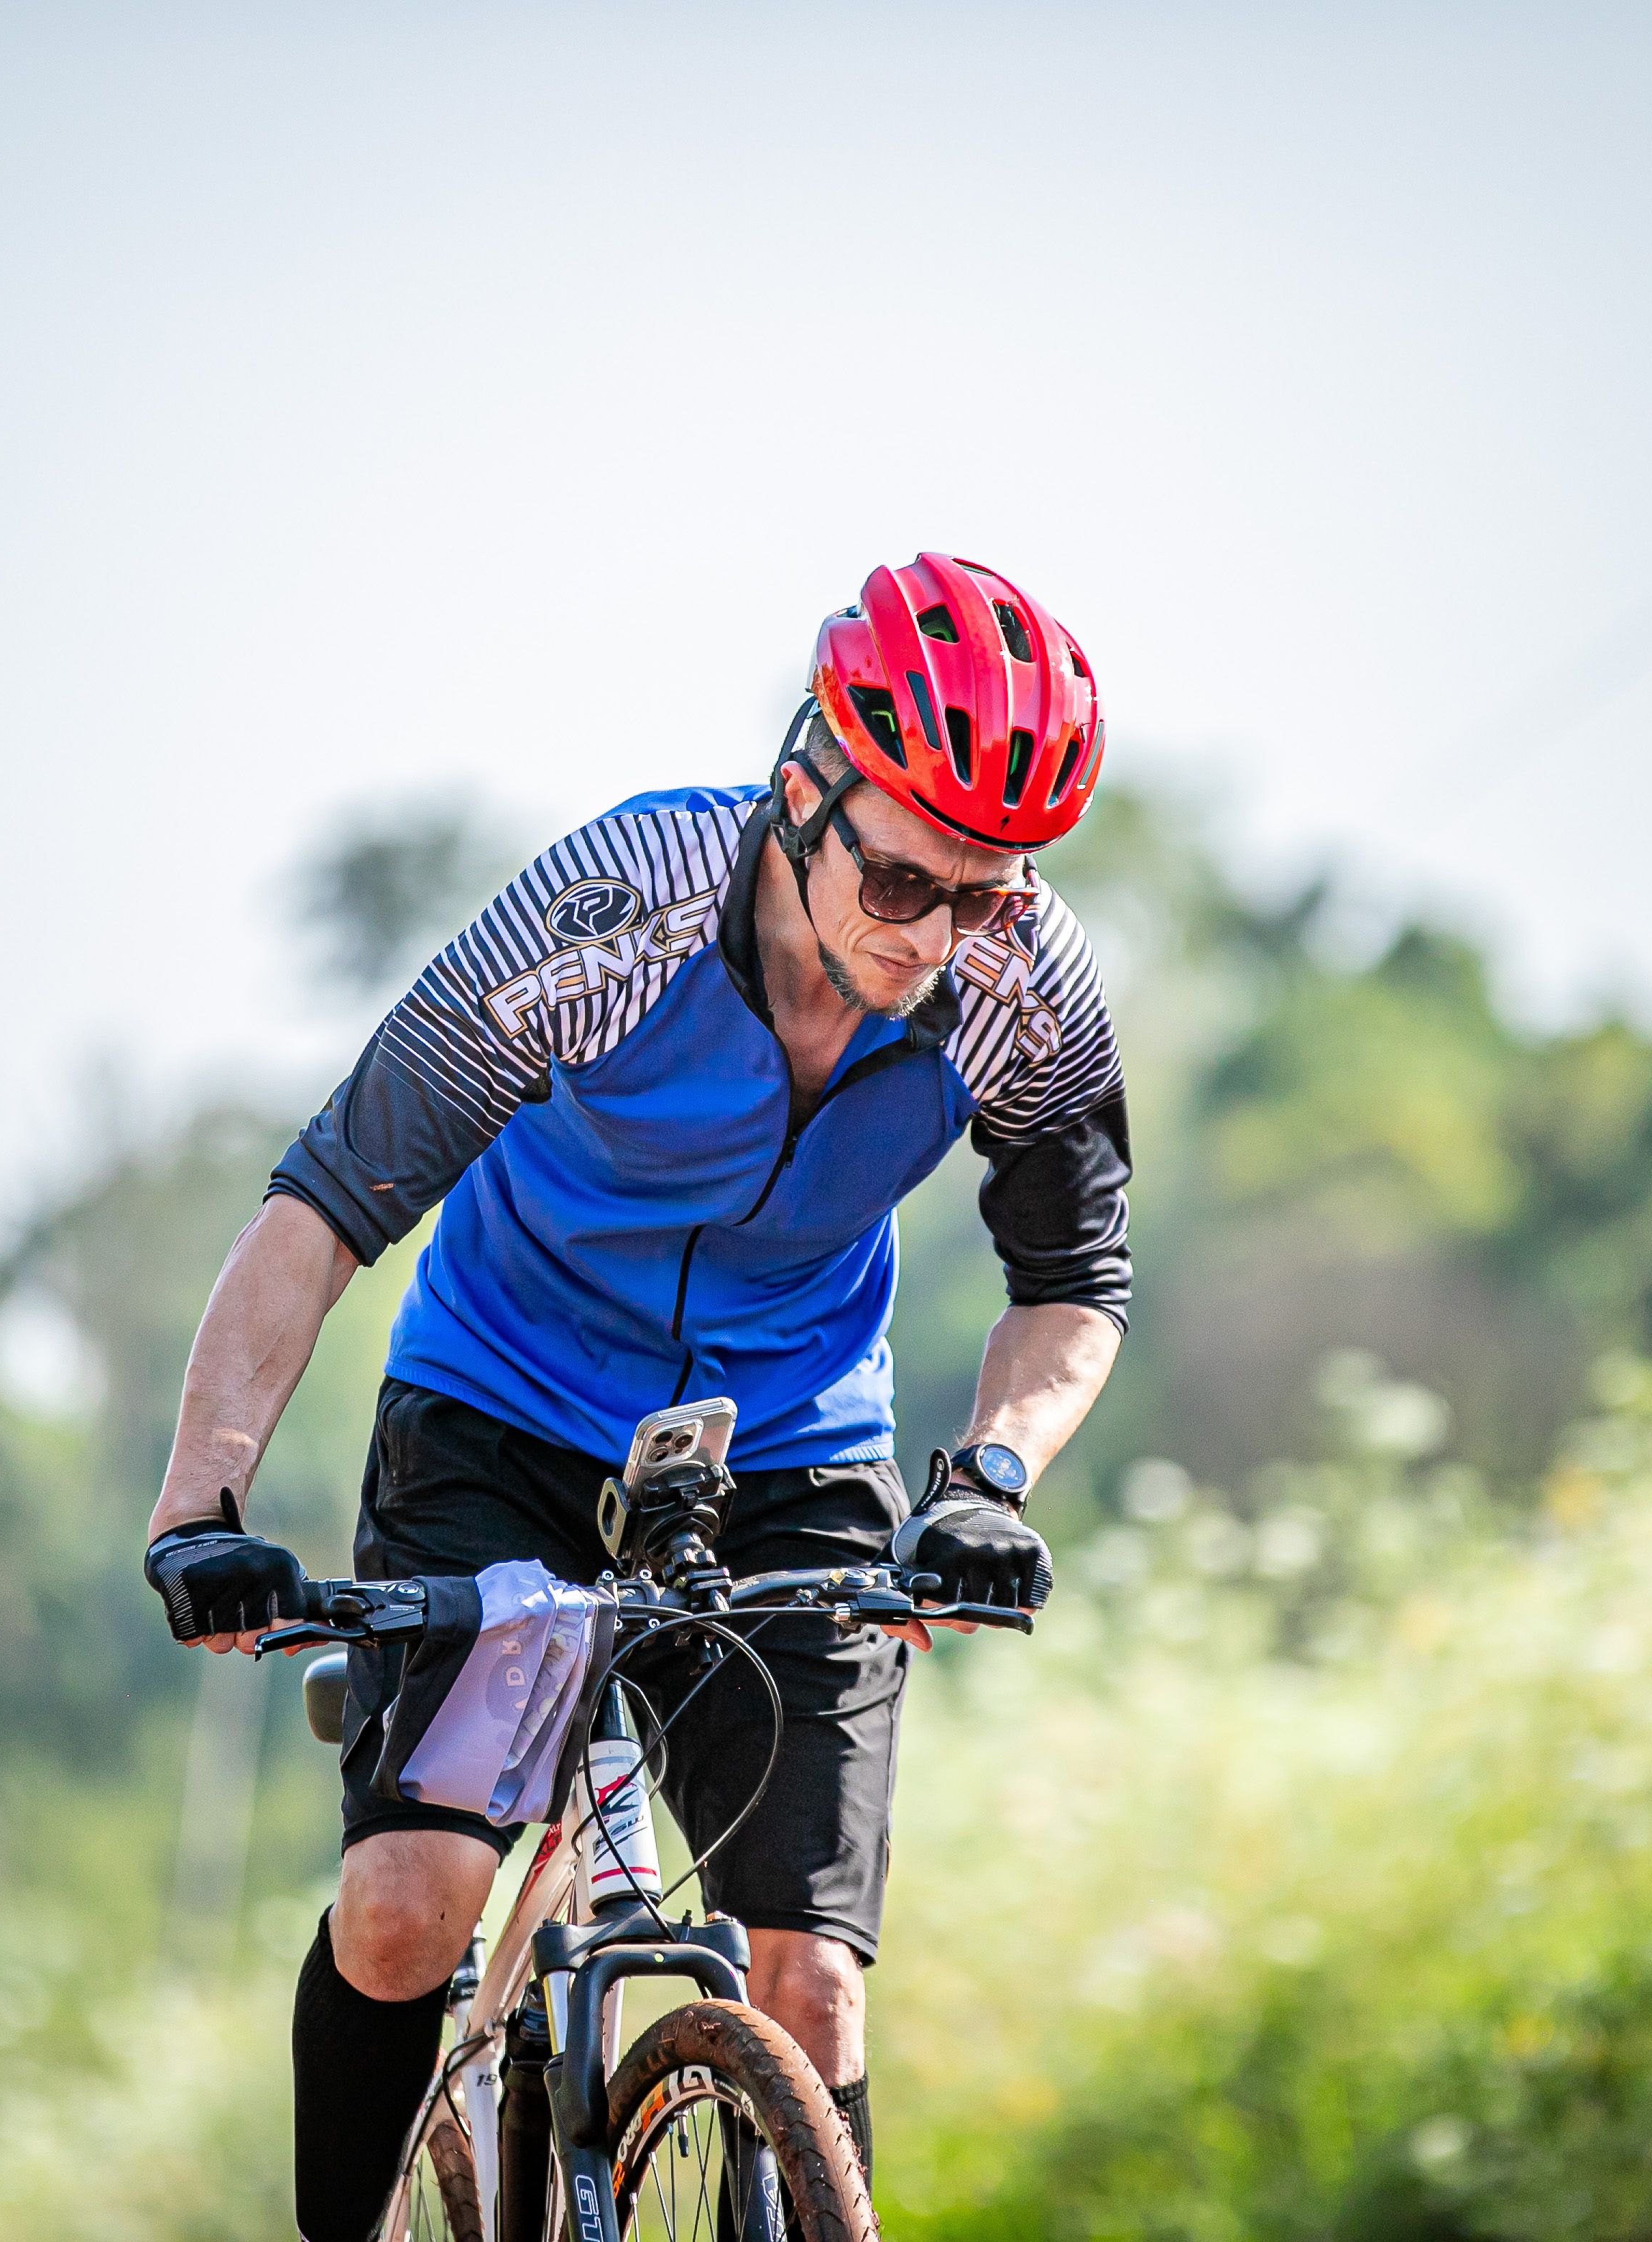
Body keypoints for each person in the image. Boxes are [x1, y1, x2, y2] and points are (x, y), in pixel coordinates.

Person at [143, 553, 1132, 2238]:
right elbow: (325, 1203)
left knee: (809, 1984)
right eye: (903, 877)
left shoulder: (1019, 986)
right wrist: (202, 1505)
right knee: (408, 1903)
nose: (934, 938)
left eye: (984, 897)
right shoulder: (619, 907)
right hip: (502, 1412)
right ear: (803, 789)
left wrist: (986, 1476)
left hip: (788, 1444)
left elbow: (1073, 1284)